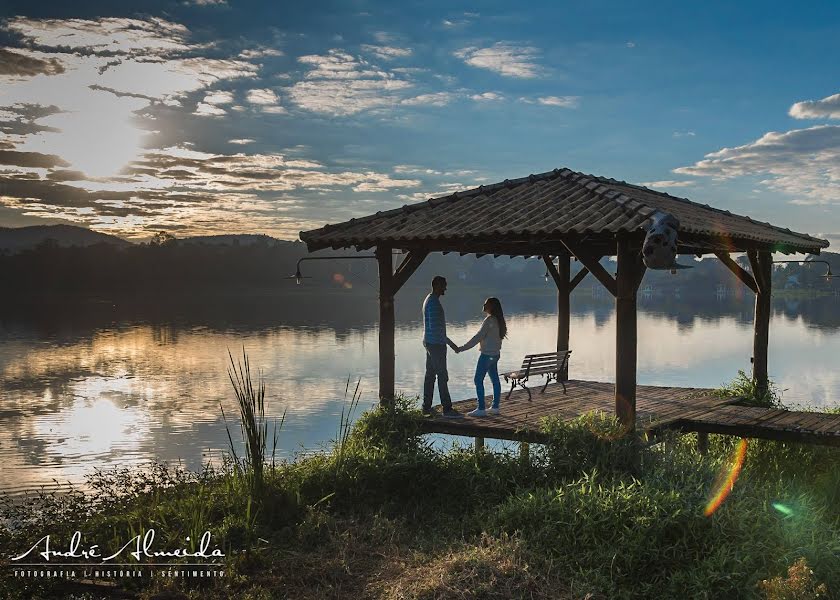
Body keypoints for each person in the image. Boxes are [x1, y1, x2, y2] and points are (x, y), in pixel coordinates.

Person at [457, 297, 507, 417]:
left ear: (491, 307)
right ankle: (495, 407)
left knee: (478, 380)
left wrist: (462, 348)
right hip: (495, 355)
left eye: (486, 304)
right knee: (495, 379)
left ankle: (481, 409)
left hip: (487, 355)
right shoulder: (499, 320)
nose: (484, 305)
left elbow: (478, 337)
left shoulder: (489, 320)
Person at [422, 276, 462, 417]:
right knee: (442, 375)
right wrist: (453, 345)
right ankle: (447, 409)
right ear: (437, 285)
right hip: (436, 344)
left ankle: (426, 407)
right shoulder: (433, 303)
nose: (445, 288)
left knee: (430, 375)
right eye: (444, 285)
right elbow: (437, 330)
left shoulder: (430, 300)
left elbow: (434, 329)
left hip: (430, 342)